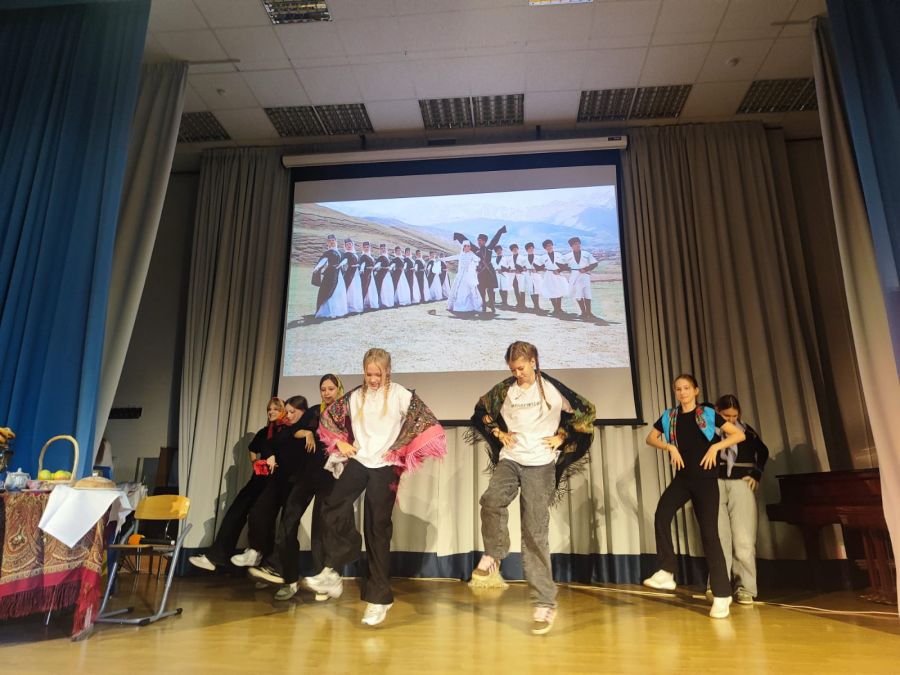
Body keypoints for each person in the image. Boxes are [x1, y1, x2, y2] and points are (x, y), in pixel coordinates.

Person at [304, 348, 446, 626]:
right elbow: (329, 418)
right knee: (332, 504)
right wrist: (340, 442)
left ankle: (379, 599)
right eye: (368, 374)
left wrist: (401, 449)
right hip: (360, 460)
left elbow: (427, 422)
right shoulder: (355, 396)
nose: (372, 379)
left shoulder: (401, 395)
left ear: (387, 371)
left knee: (377, 528)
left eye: (377, 374)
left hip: (386, 465)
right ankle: (332, 571)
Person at [468, 341, 596, 635]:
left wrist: (562, 436)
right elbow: (481, 411)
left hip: (540, 465)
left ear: (534, 362)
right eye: (513, 369)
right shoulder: (506, 390)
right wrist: (498, 432)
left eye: (521, 368)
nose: (518, 374)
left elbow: (586, 412)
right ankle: (494, 555)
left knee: (534, 533)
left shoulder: (551, 389)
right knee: (491, 500)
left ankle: (544, 603)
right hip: (511, 458)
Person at [642, 374, 745, 619]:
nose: (682, 392)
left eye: (687, 388)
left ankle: (722, 594)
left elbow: (738, 435)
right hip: (683, 479)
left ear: (696, 390)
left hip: (706, 481)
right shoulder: (670, 416)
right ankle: (667, 571)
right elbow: (650, 438)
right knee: (662, 514)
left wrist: (715, 447)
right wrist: (669, 446)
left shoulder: (707, 414)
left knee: (710, 536)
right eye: (678, 389)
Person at [250, 376, 344, 601]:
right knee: (288, 521)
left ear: (339, 389)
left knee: (321, 528)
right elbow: (295, 431)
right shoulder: (314, 411)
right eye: (323, 389)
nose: (327, 393)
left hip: (330, 478)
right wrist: (308, 432)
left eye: (331, 388)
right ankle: (287, 576)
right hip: (306, 475)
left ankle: (323, 581)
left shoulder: (346, 413)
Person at [189, 397, 287, 571]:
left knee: (262, 518)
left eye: (275, 409)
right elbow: (252, 449)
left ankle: (264, 564)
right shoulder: (265, 432)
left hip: (275, 482)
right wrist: (255, 463)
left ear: (283, 411)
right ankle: (215, 557)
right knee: (236, 512)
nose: (271, 412)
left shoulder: (286, 432)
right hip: (259, 479)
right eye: (269, 409)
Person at [231, 396, 311, 569]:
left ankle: (285, 572)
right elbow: (267, 445)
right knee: (258, 512)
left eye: (292, 412)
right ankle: (255, 552)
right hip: (277, 480)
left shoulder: (305, 429)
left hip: (296, 484)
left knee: (287, 528)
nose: (289, 415)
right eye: (287, 412)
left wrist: (308, 433)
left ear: (303, 412)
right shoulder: (281, 430)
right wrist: (269, 456)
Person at [714, 394, 769, 605]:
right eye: (725, 416)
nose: (730, 420)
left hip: (740, 483)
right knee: (718, 537)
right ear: (717, 412)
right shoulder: (709, 433)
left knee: (744, 538)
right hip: (716, 484)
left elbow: (763, 452)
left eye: (734, 416)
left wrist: (756, 474)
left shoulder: (746, 431)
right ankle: (718, 585)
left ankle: (745, 587)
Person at [454, 226, 506, 313]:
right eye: (478, 240)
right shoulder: (476, 250)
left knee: (490, 290)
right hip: (481, 273)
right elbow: (468, 242)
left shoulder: (489, 248)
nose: (479, 242)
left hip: (489, 273)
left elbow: (495, 239)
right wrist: (459, 236)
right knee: (481, 290)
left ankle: (492, 305)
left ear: (484, 241)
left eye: (480, 240)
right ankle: (484, 305)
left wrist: (500, 231)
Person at [562, 237, 600, 320]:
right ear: (571, 246)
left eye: (579, 243)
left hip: (585, 275)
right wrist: (569, 269)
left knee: (587, 293)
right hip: (575, 276)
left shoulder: (586, 254)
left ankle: (589, 312)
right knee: (578, 294)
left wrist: (586, 269)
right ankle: (583, 312)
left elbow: (595, 263)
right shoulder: (567, 256)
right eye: (575, 244)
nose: (578, 245)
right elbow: (561, 265)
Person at [312, 234, 348, 319]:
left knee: (339, 292)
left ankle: (339, 310)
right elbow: (323, 261)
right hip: (330, 275)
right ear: (328, 243)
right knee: (328, 292)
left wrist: (341, 264)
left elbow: (345, 260)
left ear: (336, 241)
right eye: (330, 241)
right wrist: (317, 268)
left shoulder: (340, 252)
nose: (332, 242)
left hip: (339, 275)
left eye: (333, 240)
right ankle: (329, 311)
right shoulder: (327, 252)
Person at [442, 240, 482, 315]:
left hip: (468, 275)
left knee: (469, 289)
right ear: (463, 247)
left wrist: (474, 260)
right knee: (459, 289)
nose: (468, 247)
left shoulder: (471, 254)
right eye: (466, 246)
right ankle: (456, 305)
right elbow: (453, 257)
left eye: (469, 246)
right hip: (460, 275)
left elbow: (478, 259)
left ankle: (472, 306)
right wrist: (442, 259)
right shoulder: (461, 255)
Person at [539, 239, 570, 317]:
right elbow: (538, 266)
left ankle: (559, 308)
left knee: (560, 290)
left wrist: (559, 270)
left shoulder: (559, 255)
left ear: (552, 246)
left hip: (558, 274)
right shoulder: (543, 257)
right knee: (551, 291)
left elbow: (565, 265)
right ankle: (555, 309)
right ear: (545, 248)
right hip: (549, 275)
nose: (549, 247)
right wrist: (543, 268)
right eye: (547, 246)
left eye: (550, 245)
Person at [342, 239, 364, 315]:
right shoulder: (345, 254)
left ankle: (357, 306)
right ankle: (350, 307)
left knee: (356, 289)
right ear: (345, 246)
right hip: (349, 273)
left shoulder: (355, 254)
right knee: (351, 289)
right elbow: (344, 264)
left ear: (352, 244)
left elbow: (358, 262)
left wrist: (358, 266)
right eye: (347, 244)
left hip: (356, 274)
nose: (349, 246)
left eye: (350, 244)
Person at [523, 242, 544, 313]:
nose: (531, 249)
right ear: (526, 250)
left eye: (532, 248)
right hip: (528, 275)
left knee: (537, 290)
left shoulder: (538, 257)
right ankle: (535, 306)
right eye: (529, 248)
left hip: (536, 275)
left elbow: (542, 266)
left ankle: (537, 306)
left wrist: (537, 270)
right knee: (531, 290)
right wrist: (524, 269)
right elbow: (522, 266)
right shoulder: (524, 258)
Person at [358, 241, 379, 311]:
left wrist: (374, 268)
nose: (366, 248)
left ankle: (371, 303)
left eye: (367, 247)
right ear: (363, 248)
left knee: (371, 288)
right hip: (365, 274)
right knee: (366, 288)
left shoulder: (370, 256)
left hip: (371, 274)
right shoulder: (363, 256)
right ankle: (365, 303)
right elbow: (362, 264)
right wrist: (362, 269)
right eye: (365, 247)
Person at [373, 244, 395, 309]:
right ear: (380, 250)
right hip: (383, 275)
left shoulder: (387, 257)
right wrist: (375, 268)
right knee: (384, 288)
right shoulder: (381, 257)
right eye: (382, 249)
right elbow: (377, 264)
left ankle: (389, 302)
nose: (383, 250)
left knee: (389, 288)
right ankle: (384, 303)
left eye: (384, 248)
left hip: (388, 275)